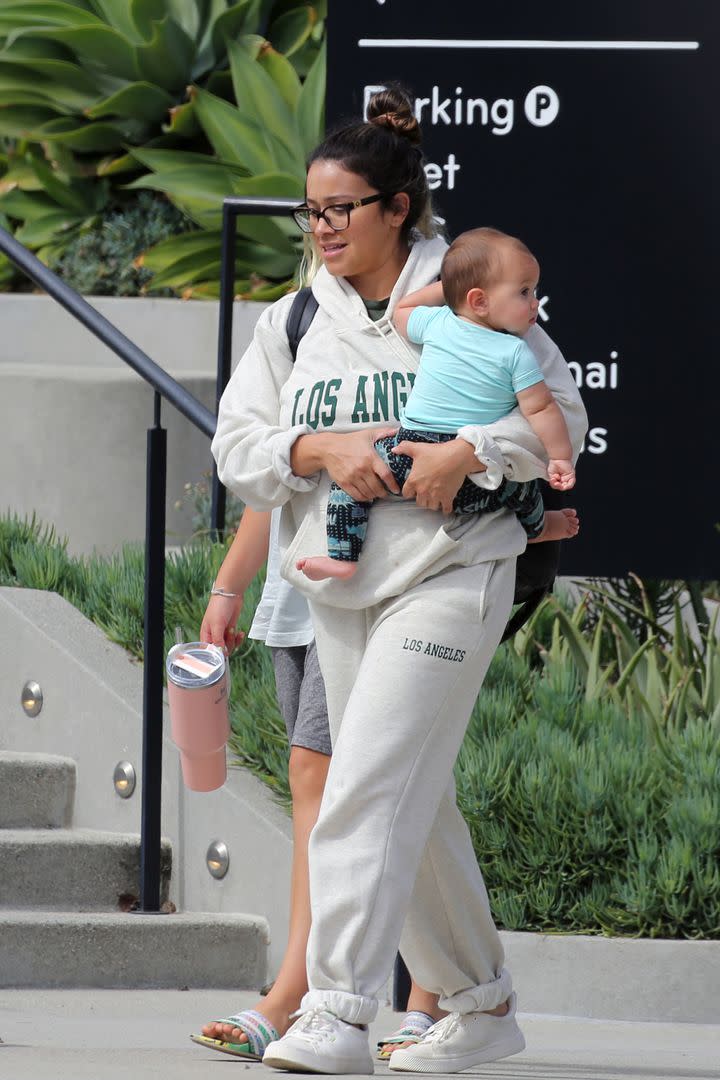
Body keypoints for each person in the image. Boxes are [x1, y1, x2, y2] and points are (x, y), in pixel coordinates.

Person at [212, 85, 588, 1075]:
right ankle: (483, 1002)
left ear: (396, 210)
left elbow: (564, 421)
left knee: (366, 785)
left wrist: (468, 449)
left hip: (455, 572)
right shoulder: (293, 320)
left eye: (341, 209)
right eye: (312, 210)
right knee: (413, 808)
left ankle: (338, 1010)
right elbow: (236, 448)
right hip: (341, 590)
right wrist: (317, 447)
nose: (323, 228)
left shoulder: (467, 291)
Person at [190, 508, 446, 1060]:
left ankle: (292, 992)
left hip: (379, 589)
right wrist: (228, 586)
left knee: (319, 768)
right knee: (385, 787)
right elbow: (279, 475)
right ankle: (439, 984)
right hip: (296, 596)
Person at [297, 226, 578, 582]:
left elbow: (402, 310)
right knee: (522, 489)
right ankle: (537, 527)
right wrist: (559, 457)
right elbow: (541, 410)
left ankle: (343, 557)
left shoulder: (439, 322)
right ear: (479, 301)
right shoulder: (514, 351)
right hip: (476, 482)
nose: (535, 302)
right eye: (524, 292)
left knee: (351, 487)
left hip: (409, 454)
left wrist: (450, 290)